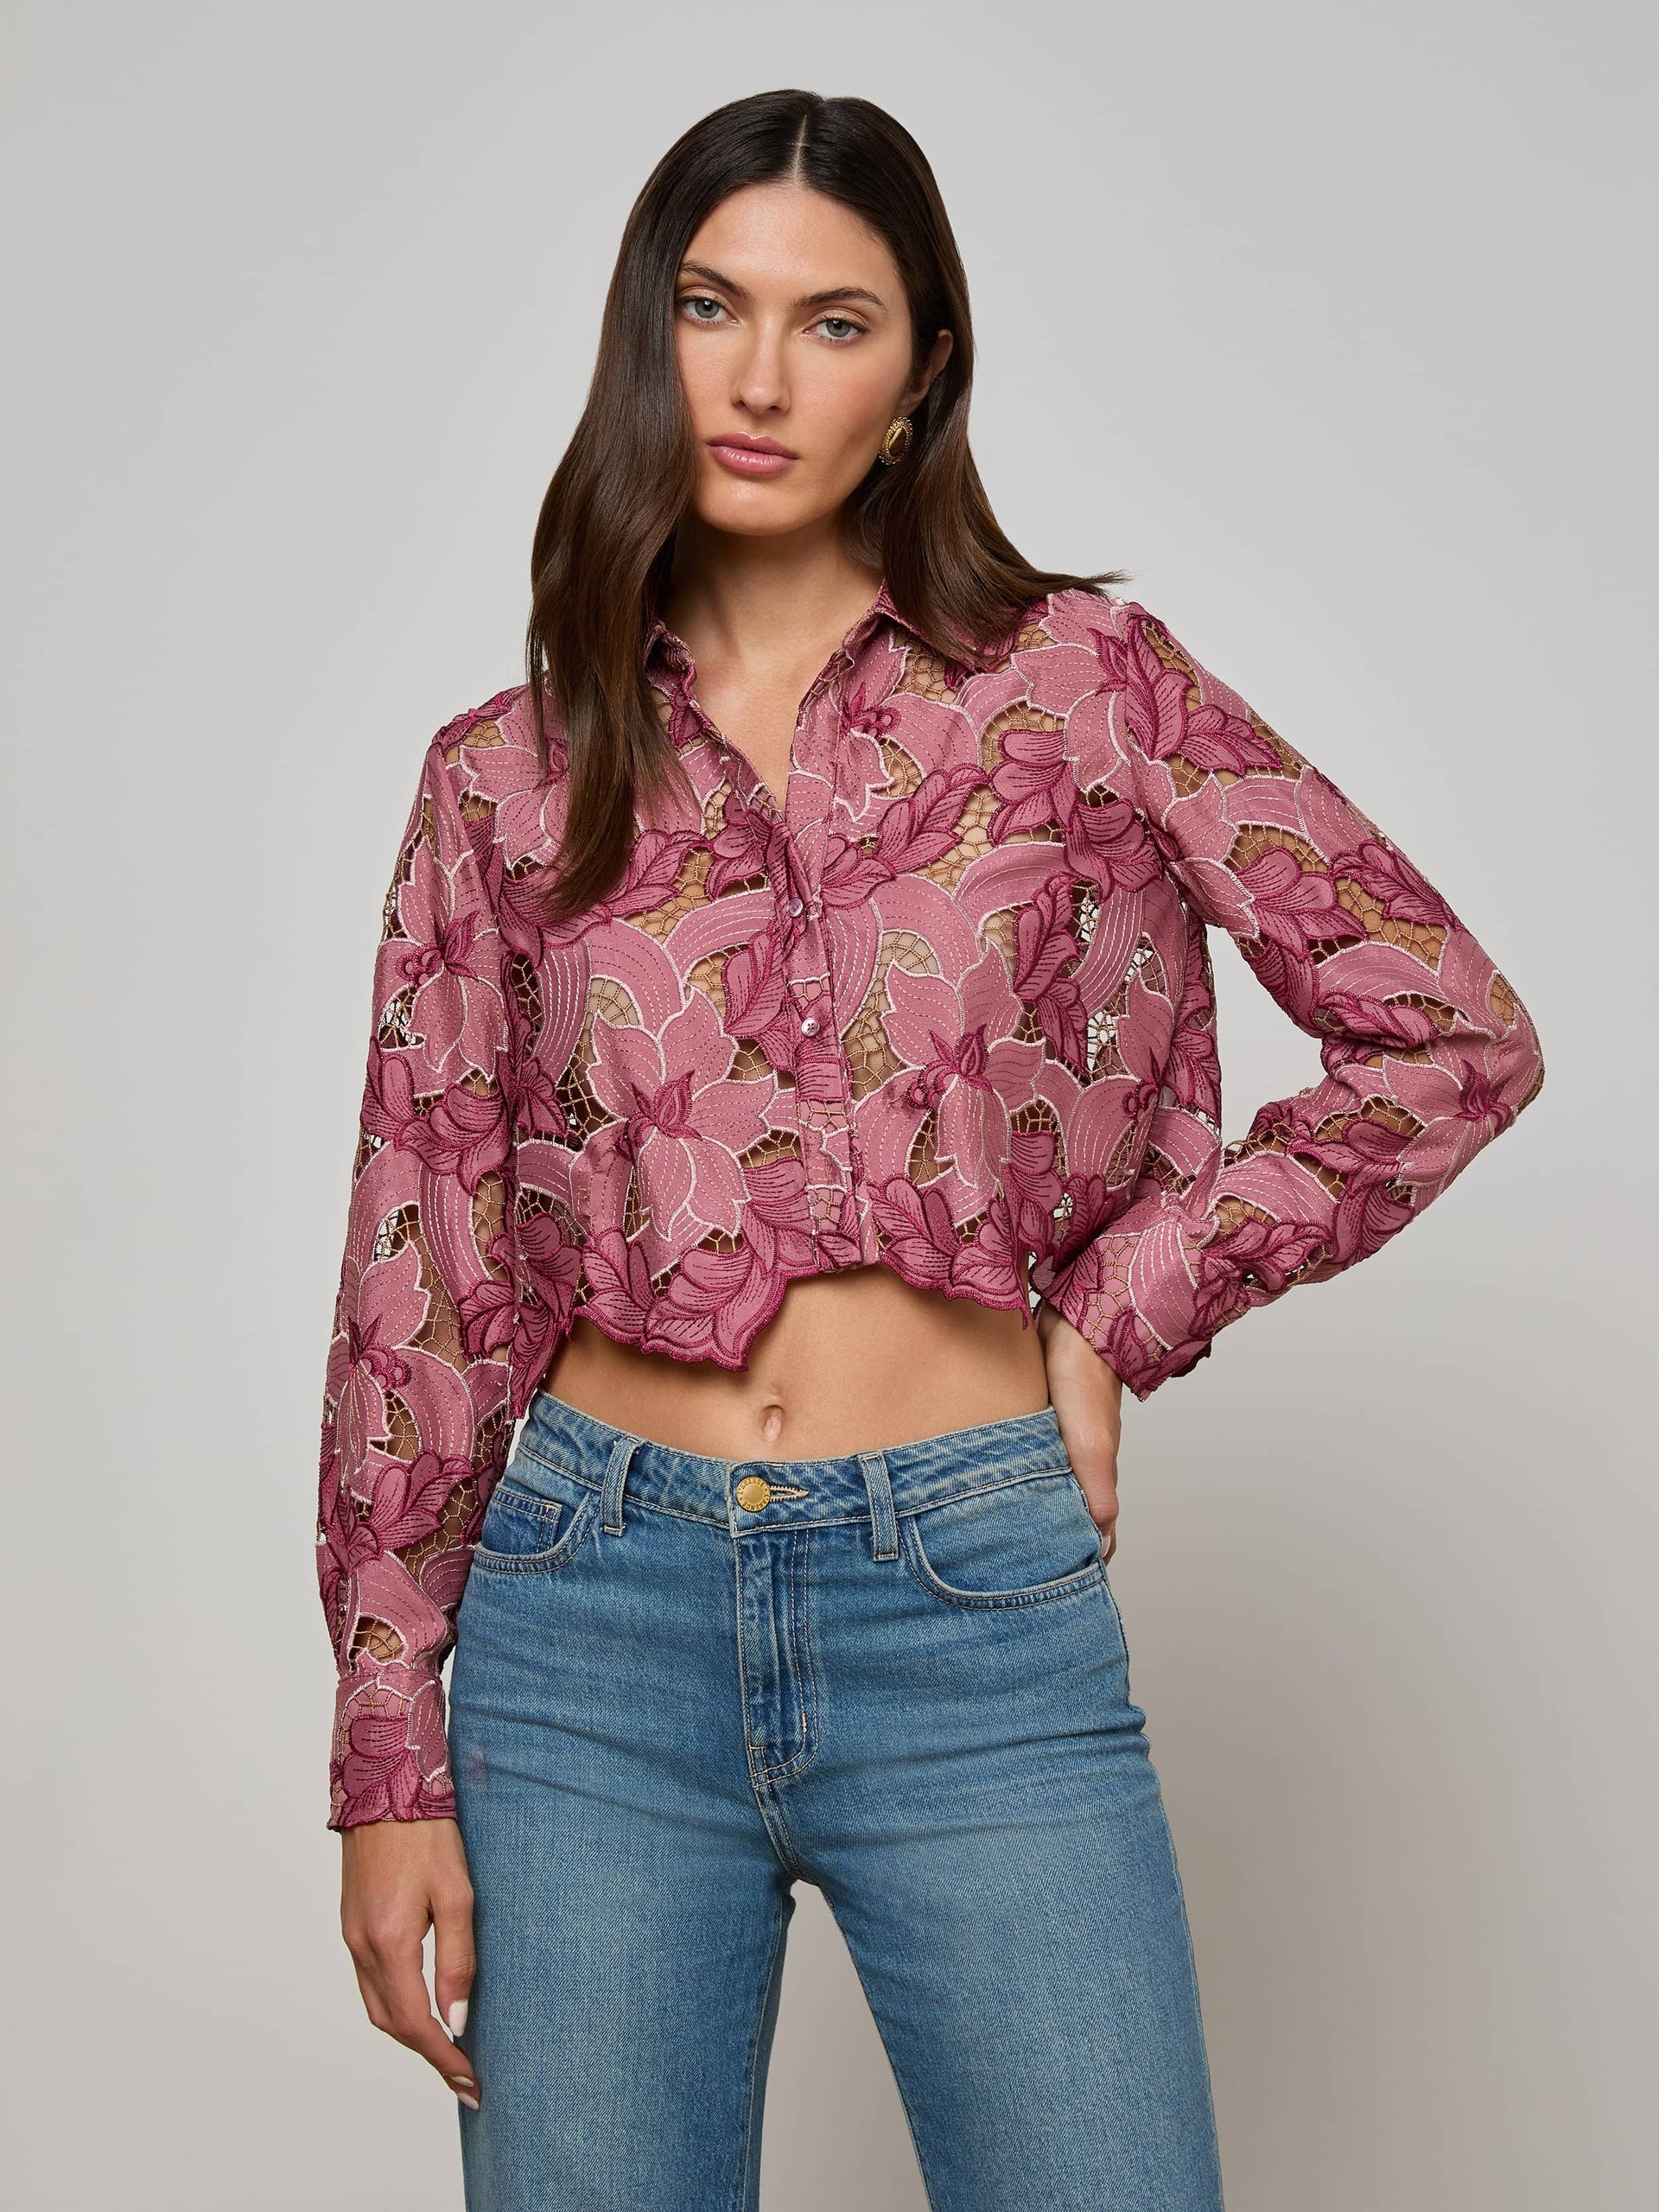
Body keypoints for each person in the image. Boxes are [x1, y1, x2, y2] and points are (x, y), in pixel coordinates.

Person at [318, 88, 1543, 2212]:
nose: (760, 377)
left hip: (968, 1587)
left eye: (835, 321)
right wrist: (385, 1751)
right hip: (585, 1626)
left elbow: (1447, 1026)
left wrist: (1121, 1304)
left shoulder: (1084, 691)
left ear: (921, 376)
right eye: (713, 306)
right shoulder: (507, 775)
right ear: (648, 331)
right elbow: (420, 1267)